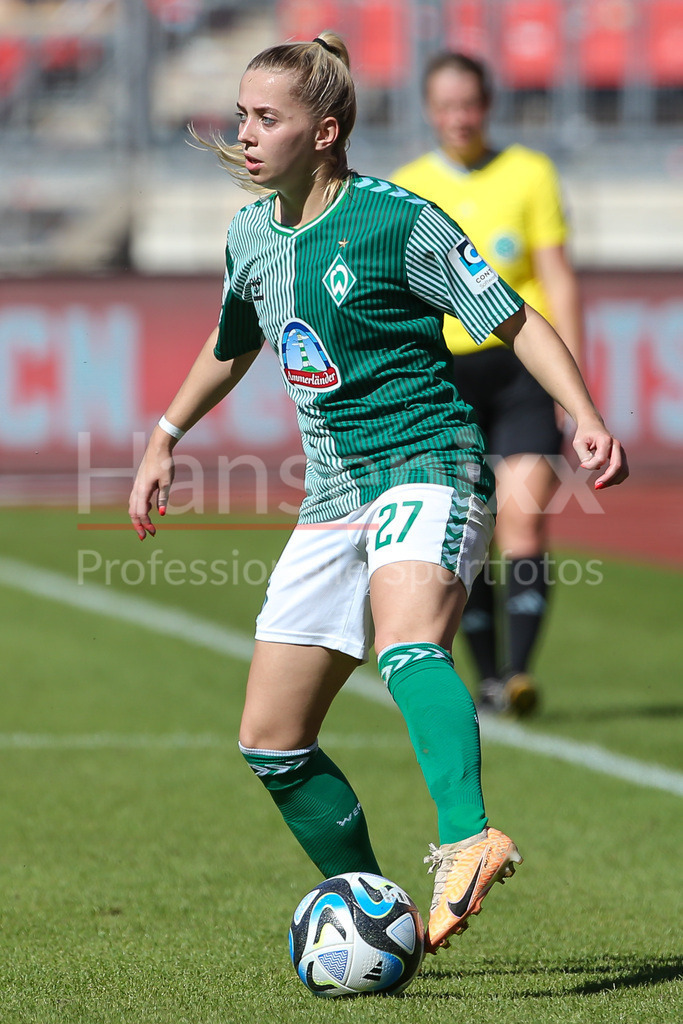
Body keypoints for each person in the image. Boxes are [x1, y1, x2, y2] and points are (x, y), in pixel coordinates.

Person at [128, 33, 628, 955]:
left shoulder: (398, 220)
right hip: (331, 495)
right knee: (271, 741)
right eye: (241, 114)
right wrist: (165, 436)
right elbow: (234, 339)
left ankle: (471, 837)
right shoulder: (248, 234)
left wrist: (583, 413)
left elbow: (513, 324)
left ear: (324, 132)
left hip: (429, 463)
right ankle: (367, 909)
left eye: (265, 118)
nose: (244, 133)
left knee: (407, 645)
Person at [393, 53, 584, 716]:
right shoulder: (406, 186)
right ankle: (487, 679)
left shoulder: (529, 173)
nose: (458, 118)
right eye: (444, 106)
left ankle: (519, 672)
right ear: (428, 109)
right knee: (466, 530)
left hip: (521, 369)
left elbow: (556, 277)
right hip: (445, 375)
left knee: (523, 524)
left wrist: (571, 386)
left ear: (487, 104)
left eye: (468, 104)